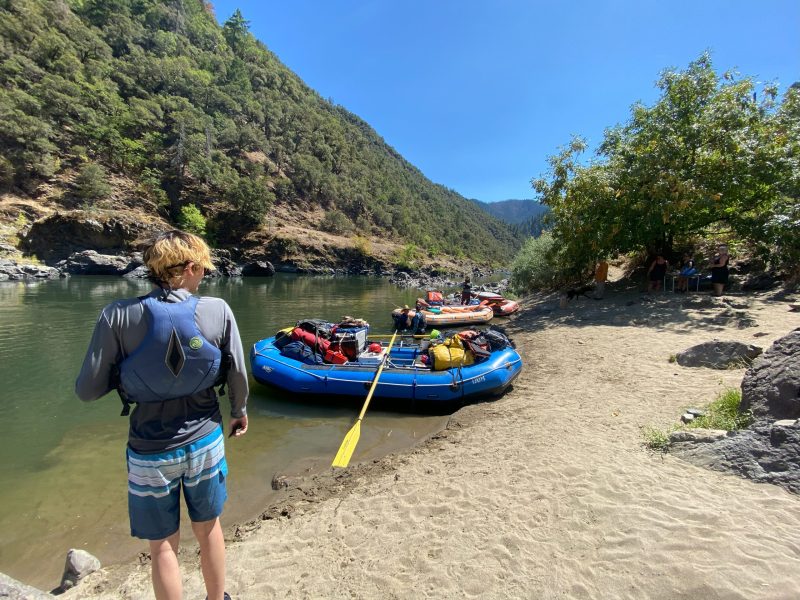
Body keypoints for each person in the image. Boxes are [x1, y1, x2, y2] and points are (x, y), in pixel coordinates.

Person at [75, 230, 248, 600]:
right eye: (202, 268)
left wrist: (129, 373)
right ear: (188, 268)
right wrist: (239, 411)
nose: (205, 275)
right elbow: (237, 372)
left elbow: (87, 391)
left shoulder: (117, 315)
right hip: (204, 440)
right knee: (208, 528)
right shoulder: (218, 310)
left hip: (149, 449)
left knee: (163, 545)